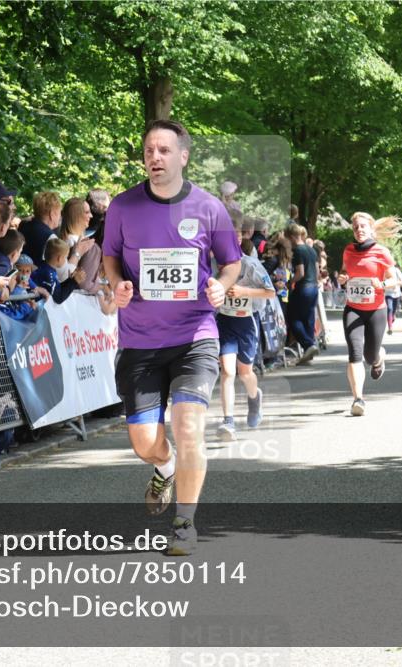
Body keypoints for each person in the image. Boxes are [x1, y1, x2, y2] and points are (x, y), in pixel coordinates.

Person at [102, 119, 242, 556]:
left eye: (164, 150)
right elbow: (109, 258)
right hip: (140, 339)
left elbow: (231, 262)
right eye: (148, 151)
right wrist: (118, 284)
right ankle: (163, 468)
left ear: (183, 156)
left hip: (194, 334)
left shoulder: (209, 208)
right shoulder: (123, 207)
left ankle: (185, 523)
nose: (154, 158)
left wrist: (221, 284)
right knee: (147, 444)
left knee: (188, 430)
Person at [335, 213, 400, 416]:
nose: (359, 230)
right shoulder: (348, 250)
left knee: (370, 356)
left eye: (363, 226)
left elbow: (394, 280)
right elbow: (344, 272)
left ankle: (379, 357)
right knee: (354, 352)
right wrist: (343, 278)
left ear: (371, 228)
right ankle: (358, 399)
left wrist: (380, 283)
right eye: (356, 228)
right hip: (353, 308)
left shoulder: (382, 252)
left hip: (376, 309)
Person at [215, 229, 275, 442]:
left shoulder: (251, 265)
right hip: (224, 321)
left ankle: (254, 397)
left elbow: (271, 292)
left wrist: (244, 292)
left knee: (244, 372)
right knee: (227, 372)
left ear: (240, 240)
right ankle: (228, 420)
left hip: (247, 321)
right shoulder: (215, 263)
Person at [285, 222, 320, 363]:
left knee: (293, 319)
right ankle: (309, 350)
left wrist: (289, 282)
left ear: (292, 237)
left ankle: (308, 344)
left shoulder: (298, 251)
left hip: (303, 287)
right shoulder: (311, 250)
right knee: (308, 319)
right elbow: (316, 271)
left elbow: (300, 273)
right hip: (314, 287)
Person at [57, 197, 99, 290]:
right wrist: (102, 287)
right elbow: (85, 284)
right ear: (76, 216)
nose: (91, 216)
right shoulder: (77, 243)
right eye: (87, 212)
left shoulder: (60, 241)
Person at [31, 237, 85, 304]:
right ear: (59, 258)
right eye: (65, 257)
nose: (66, 260)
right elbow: (58, 298)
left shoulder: (44, 266)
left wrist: (70, 280)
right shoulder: (49, 274)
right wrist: (74, 282)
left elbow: (57, 287)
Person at [384, 259, 402, 335]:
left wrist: (394, 282)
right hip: (387, 294)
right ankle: (390, 328)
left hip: (396, 294)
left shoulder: (397, 270)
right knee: (389, 309)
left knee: (393, 312)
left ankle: (392, 319)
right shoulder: (384, 270)